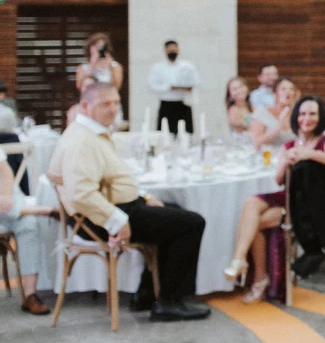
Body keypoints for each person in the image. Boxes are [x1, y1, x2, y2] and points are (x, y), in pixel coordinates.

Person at [49, 82, 210, 321]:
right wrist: (117, 221)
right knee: (191, 223)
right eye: (105, 103)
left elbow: (110, 177)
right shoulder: (83, 141)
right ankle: (168, 302)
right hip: (99, 218)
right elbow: (81, 194)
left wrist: (143, 197)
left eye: (116, 103)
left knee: (174, 212)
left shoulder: (91, 132)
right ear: (85, 106)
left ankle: (147, 294)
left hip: (115, 207)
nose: (113, 109)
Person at [224, 96, 325, 303]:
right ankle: (240, 260)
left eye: (312, 114)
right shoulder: (288, 144)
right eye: (302, 114)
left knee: (254, 223)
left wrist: (309, 154)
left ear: (320, 117)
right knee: (251, 203)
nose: (306, 118)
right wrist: (285, 162)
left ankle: (258, 278)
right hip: (289, 197)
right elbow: (279, 179)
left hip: (312, 208)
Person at [0, 156, 57, 314]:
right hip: (8, 208)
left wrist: (5, 195)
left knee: (29, 225)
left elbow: (4, 169)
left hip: (7, 203)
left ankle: (30, 294)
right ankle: (44, 210)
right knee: (20, 214)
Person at [147, 40, 200, 135]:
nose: (172, 52)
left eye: (174, 50)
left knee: (186, 134)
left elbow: (196, 82)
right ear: (165, 51)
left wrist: (186, 87)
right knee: (164, 134)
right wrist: (168, 87)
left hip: (183, 104)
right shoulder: (158, 67)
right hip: (166, 105)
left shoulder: (187, 66)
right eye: (170, 50)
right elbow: (152, 86)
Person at [250, 78, 297, 149]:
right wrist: (279, 127)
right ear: (275, 94)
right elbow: (256, 142)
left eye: (291, 89)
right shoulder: (262, 112)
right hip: (267, 156)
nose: (288, 92)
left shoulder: (298, 114)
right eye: (283, 89)